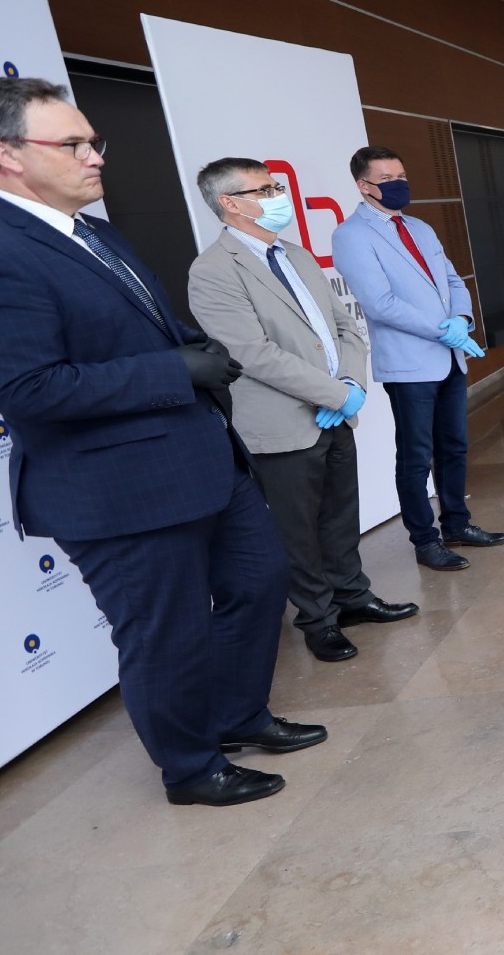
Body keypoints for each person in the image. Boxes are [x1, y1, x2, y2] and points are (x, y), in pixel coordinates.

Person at [0, 76, 326, 807]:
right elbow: (30, 389)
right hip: (119, 489)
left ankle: (239, 716)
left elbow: (138, 326)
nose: (95, 156)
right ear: (6, 153)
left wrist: (191, 346)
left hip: (203, 460)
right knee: (167, 633)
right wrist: (174, 370)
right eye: (73, 144)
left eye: (94, 141)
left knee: (260, 582)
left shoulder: (94, 231)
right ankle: (191, 767)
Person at [186, 157, 419, 664]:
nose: (279, 197)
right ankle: (318, 620)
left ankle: (353, 598)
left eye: (276, 187)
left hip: (336, 410)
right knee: (297, 530)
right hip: (283, 423)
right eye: (265, 190)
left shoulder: (295, 254)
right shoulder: (213, 271)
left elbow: (344, 326)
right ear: (229, 203)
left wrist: (351, 382)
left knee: (341, 516)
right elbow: (251, 353)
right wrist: (334, 394)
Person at [331, 146, 504, 571]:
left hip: (449, 357)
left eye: (401, 176)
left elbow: (453, 280)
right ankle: (425, 541)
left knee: (454, 447)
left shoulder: (420, 227)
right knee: (415, 456)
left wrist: (461, 319)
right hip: (410, 364)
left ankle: (457, 524)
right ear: (364, 186)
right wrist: (441, 329)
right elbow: (380, 303)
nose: (398, 184)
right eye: (387, 179)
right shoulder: (351, 235)